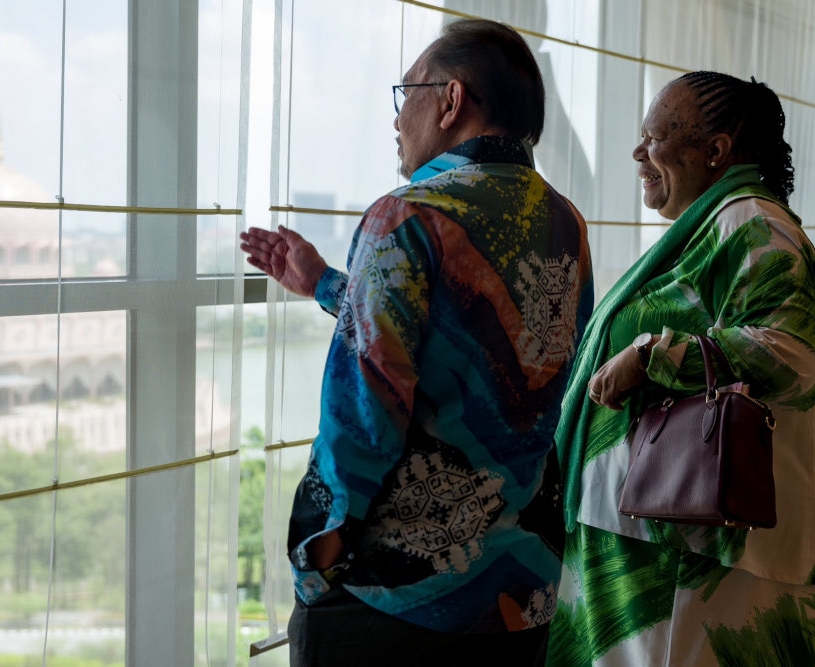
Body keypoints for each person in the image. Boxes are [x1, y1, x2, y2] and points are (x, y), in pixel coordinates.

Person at [241, 18, 593, 666]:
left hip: (399, 602)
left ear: (452, 100)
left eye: (407, 96)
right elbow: (492, 348)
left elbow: (363, 416)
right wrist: (323, 283)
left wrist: (314, 562)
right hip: (520, 595)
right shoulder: (564, 223)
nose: (398, 121)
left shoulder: (406, 215)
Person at [549, 71, 815, 666]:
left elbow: (790, 352)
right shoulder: (713, 227)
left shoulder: (753, 223)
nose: (639, 153)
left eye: (654, 137)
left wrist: (653, 357)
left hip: (693, 555)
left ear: (715, 151)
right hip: (657, 541)